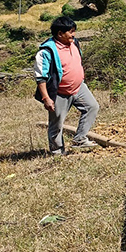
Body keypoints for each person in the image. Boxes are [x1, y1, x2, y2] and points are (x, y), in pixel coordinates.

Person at [34, 16, 100, 155]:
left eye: (74, 31)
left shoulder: (74, 43)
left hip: (78, 87)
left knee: (92, 107)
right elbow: (41, 77)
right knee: (56, 123)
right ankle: (57, 151)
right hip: (59, 92)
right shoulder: (46, 52)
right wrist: (46, 98)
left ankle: (80, 139)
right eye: (70, 31)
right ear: (60, 34)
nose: (73, 34)